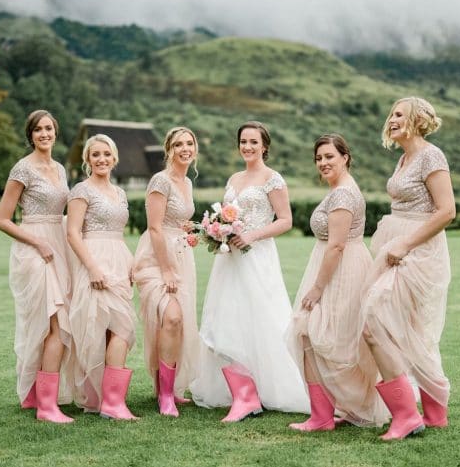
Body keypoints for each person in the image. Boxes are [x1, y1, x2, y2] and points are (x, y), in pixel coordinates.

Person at [191, 121, 309, 422]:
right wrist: (217, 232)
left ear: (264, 146)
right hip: (229, 259)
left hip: (257, 257)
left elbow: (285, 220)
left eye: (254, 142)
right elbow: (225, 215)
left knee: (260, 319)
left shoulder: (273, 179)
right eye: (243, 141)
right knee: (227, 317)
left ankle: (263, 390)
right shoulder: (234, 178)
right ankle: (243, 394)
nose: (247, 147)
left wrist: (252, 236)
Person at [360, 97, 455, 440]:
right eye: (391, 114)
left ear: (417, 119)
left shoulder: (431, 155)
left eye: (399, 114)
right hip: (395, 243)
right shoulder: (404, 158)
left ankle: (405, 415)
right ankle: (434, 413)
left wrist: (405, 244)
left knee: (374, 320)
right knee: (410, 329)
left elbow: (446, 211)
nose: (392, 119)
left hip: (417, 250)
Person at [287, 134, 389, 431]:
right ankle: (345, 409)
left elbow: (336, 246)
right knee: (334, 336)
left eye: (329, 156)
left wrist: (317, 287)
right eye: (318, 158)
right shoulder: (341, 189)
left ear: (345, 157)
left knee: (310, 332)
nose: (323, 163)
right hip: (340, 265)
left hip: (341, 270)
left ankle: (321, 417)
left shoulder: (343, 194)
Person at [0, 109, 74, 424]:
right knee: (52, 323)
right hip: (34, 248)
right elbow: (2, 219)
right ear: (30, 135)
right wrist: (37, 242)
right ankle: (47, 407)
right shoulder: (22, 169)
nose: (44, 134)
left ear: (56, 132)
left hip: (58, 246)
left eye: (49, 128)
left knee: (48, 325)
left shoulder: (59, 168)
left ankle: (33, 394)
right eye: (38, 130)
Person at [66, 134, 138, 420]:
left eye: (106, 154)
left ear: (115, 157)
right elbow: (73, 232)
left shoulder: (119, 193)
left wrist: (131, 261)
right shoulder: (81, 190)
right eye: (95, 155)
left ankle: (111, 400)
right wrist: (93, 268)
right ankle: (110, 402)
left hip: (119, 260)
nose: (102, 159)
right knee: (108, 330)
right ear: (87, 159)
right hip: (94, 260)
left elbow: (119, 233)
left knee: (118, 330)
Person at [133, 126, 199, 417]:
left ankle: (166, 389)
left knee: (177, 322)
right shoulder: (160, 181)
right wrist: (167, 269)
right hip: (157, 258)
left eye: (190, 143)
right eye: (179, 144)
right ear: (168, 150)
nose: (185, 148)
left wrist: (192, 232)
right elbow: (155, 227)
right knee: (170, 317)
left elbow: (179, 221)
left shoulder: (187, 182)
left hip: (182, 254)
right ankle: (165, 396)